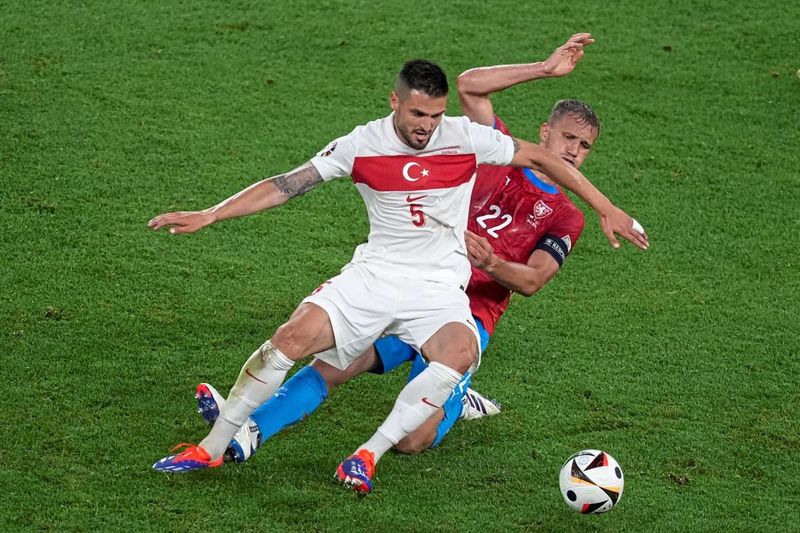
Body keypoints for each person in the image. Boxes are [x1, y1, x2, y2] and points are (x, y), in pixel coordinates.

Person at [149, 57, 648, 494]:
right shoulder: (363, 143)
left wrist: (603, 209)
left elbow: (536, 256)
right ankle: (224, 441)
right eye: (417, 115)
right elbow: (288, 184)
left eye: (435, 115)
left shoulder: (471, 143)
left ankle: (376, 448)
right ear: (395, 102)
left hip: (445, 293)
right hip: (378, 276)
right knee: (301, 345)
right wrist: (212, 213)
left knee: (437, 394)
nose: (427, 127)